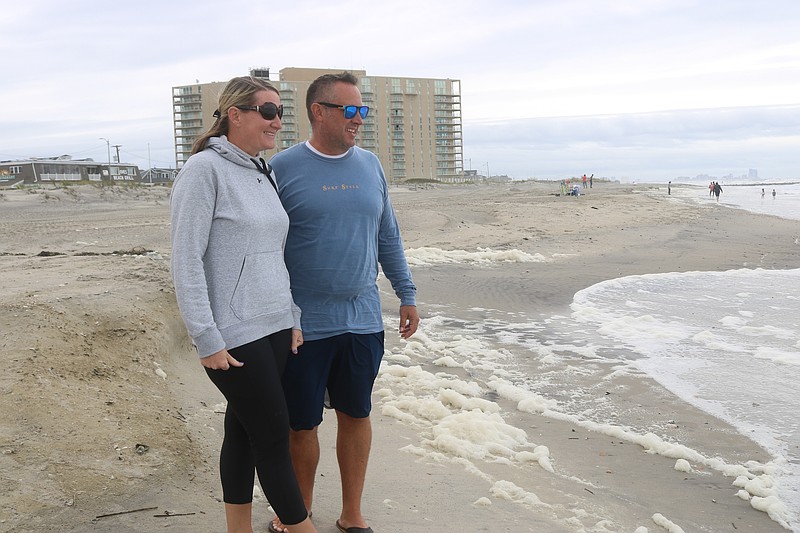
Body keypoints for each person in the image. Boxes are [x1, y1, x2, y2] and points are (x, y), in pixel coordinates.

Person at [268, 72, 420, 533]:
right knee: (302, 425)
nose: (359, 120)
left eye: (363, 111)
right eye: (350, 110)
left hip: (361, 318)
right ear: (319, 111)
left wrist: (406, 293)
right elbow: (264, 246)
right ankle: (300, 513)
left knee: (358, 414)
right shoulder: (282, 168)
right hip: (302, 322)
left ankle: (352, 514)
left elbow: (387, 235)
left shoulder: (370, 165)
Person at [170, 76, 317, 533]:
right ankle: (302, 527)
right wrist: (205, 337)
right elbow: (185, 259)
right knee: (273, 437)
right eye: (268, 111)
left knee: (243, 431)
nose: (278, 121)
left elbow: (274, 254)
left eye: (280, 112)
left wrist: (290, 316)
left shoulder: (260, 169)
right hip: (234, 333)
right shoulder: (203, 171)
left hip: (273, 326)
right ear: (236, 115)